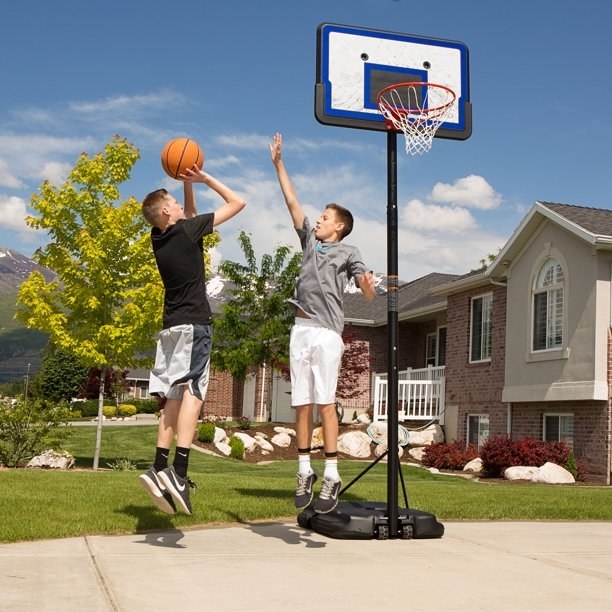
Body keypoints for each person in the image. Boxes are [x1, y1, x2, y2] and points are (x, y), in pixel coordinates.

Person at [269, 132, 376, 514]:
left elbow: (367, 293)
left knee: (326, 403)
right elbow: (292, 202)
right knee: (301, 405)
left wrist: (366, 286)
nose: (318, 219)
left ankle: (332, 473)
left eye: (325, 217)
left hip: (328, 334)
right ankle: (304, 470)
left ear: (339, 227)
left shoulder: (349, 251)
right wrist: (279, 163)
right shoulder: (310, 244)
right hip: (300, 331)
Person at [138, 165, 246, 515]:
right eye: (173, 201)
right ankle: (180, 474)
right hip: (194, 327)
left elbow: (190, 218)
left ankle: (158, 468)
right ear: (167, 211)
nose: (180, 205)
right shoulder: (186, 230)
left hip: (170, 329)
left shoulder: (160, 236)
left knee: (172, 397)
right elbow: (237, 202)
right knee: (194, 396)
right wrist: (204, 179)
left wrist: (184, 187)